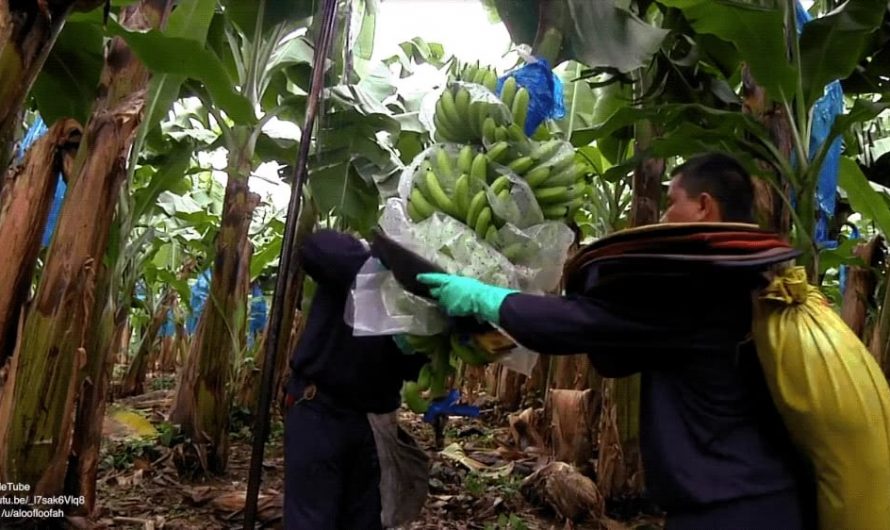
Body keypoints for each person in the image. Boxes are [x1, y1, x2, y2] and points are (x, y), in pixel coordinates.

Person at [417, 153, 816, 529]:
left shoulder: (700, 294)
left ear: (704, 207)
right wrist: (488, 338)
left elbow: (580, 325)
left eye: (670, 202)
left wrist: (488, 298)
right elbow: (611, 350)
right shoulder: (746, 287)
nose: (662, 216)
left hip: (735, 509)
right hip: (750, 496)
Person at [284, 229, 427, 530]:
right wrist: (387, 270)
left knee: (365, 521)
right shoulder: (356, 257)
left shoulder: (427, 301)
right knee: (311, 522)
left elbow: (414, 366)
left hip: (375, 424)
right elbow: (313, 248)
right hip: (318, 409)